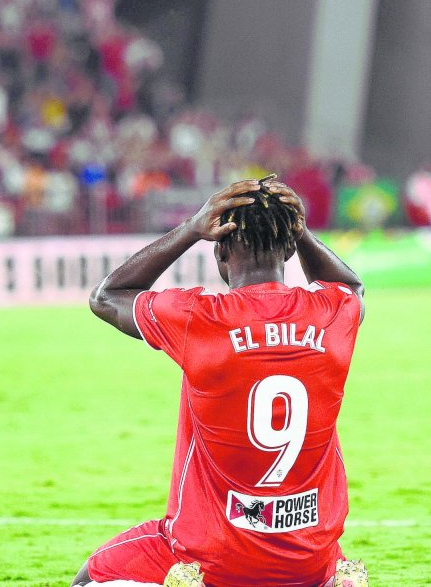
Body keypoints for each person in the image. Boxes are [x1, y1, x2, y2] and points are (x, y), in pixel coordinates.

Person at [73, 176, 370, 587]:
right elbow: (353, 287)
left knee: (89, 578)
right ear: (289, 249)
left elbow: (107, 296)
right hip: (311, 560)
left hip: (212, 559)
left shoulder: (199, 318)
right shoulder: (334, 312)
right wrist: (300, 232)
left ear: (220, 250)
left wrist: (190, 228)